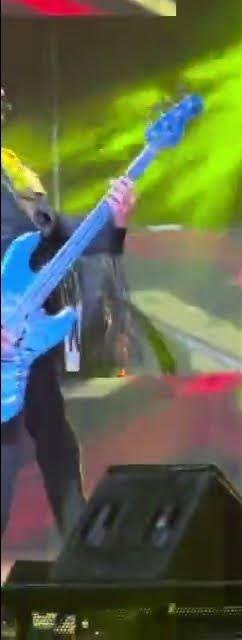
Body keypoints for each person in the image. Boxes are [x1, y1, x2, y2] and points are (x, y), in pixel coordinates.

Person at [0, 86, 137, 542]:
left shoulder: (13, 176)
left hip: (21, 337)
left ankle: (83, 559)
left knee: (57, 445)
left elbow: (54, 232)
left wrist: (112, 222)